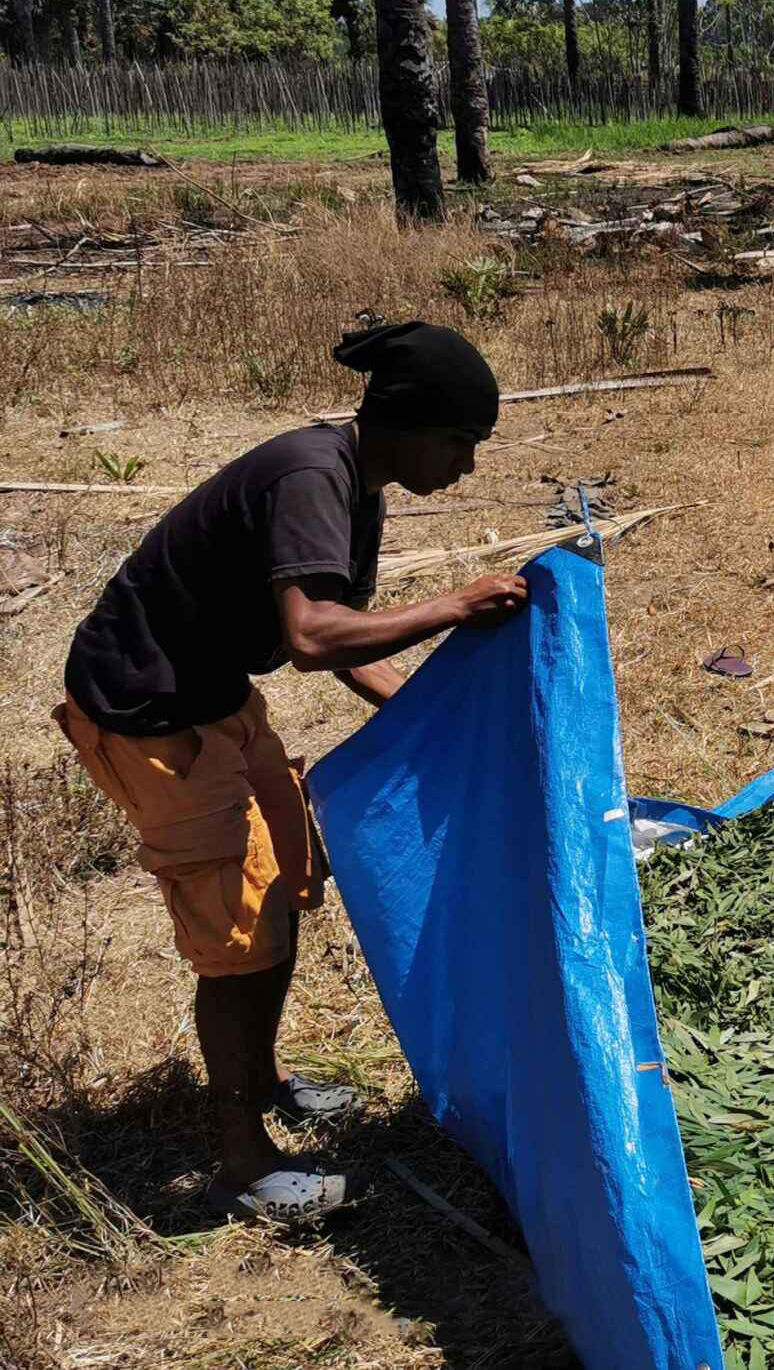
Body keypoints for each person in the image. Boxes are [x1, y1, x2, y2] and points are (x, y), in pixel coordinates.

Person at [53, 322, 529, 1224]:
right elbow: (313, 636)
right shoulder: (313, 475)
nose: (465, 467)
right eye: (461, 443)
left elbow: (348, 640)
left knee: (285, 882)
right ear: (412, 423)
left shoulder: (360, 487)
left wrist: (431, 721)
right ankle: (242, 1164)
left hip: (211, 694)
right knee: (239, 941)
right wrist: (456, 603)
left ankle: (264, 1077)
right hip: (149, 712)